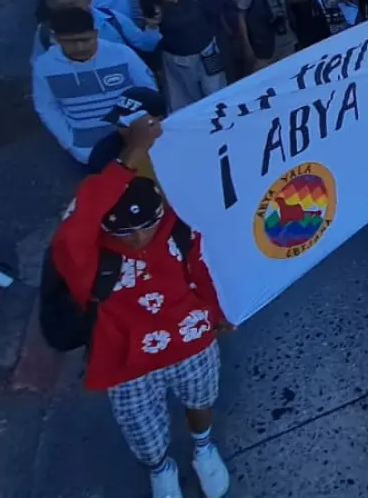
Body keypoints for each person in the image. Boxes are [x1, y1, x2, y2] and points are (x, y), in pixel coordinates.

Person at [49, 116, 232, 498]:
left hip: (190, 341)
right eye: (122, 229)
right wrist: (131, 155)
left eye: (148, 223)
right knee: (143, 431)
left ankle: (203, 448)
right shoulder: (86, 256)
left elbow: (199, 271)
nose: (138, 237)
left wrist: (217, 312)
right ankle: (161, 469)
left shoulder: (178, 224)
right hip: (125, 362)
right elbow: (76, 225)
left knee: (201, 400)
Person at [32, 7, 157, 167]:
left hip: (134, 145)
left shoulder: (123, 54)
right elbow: (47, 108)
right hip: (88, 152)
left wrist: (143, 137)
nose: (80, 47)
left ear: (96, 33)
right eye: (70, 42)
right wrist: (71, 144)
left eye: (86, 40)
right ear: (56, 38)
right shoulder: (44, 66)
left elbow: (148, 92)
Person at [150, 0, 227, 111]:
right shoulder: (156, 9)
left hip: (208, 52)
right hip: (178, 61)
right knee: (186, 103)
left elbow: (215, 14)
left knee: (218, 95)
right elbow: (152, 40)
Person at [32, 0, 161, 63]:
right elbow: (39, 64)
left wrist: (152, 27)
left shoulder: (112, 19)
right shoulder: (45, 32)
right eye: (60, 7)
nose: (68, 10)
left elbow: (146, 45)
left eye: (72, 4)